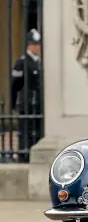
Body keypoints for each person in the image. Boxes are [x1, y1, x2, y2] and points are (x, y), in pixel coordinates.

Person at [10, 29, 42, 163]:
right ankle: (24, 155)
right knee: (26, 132)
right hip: (26, 104)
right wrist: (13, 104)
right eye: (36, 44)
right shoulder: (22, 62)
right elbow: (15, 86)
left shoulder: (40, 62)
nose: (38, 47)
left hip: (38, 104)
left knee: (37, 131)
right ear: (30, 45)